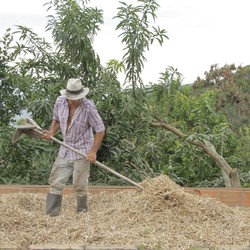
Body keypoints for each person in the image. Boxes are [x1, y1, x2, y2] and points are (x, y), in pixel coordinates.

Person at [43, 78, 105, 216]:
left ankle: (81, 213)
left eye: (77, 98)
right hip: (66, 147)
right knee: (56, 180)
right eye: (72, 98)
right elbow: (57, 119)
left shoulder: (88, 107)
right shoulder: (60, 101)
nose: (75, 101)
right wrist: (51, 132)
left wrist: (93, 152)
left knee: (80, 184)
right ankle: (52, 215)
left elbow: (100, 129)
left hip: (82, 150)